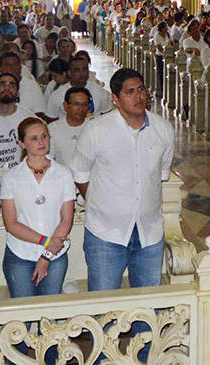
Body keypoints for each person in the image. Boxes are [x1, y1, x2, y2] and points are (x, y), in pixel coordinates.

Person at [71, 68, 174, 292]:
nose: (139, 97)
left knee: (147, 309)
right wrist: (103, 203)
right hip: (105, 233)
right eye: (130, 92)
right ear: (115, 99)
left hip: (149, 232)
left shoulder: (163, 130)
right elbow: (80, 173)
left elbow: (160, 175)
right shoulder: (96, 130)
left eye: (141, 90)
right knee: (104, 307)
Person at [1, 117, 75, 298]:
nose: (41, 142)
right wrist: (45, 242)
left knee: (49, 315)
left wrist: (47, 255)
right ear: (21, 143)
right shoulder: (11, 177)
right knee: (22, 316)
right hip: (20, 254)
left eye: (44, 136)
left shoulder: (63, 174)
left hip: (55, 257)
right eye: (34, 138)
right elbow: (11, 224)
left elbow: (66, 219)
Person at [45, 57, 110, 120]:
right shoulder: (57, 95)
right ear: (69, 73)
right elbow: (50, 120)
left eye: (84, 69)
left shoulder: (99, 91)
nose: (82, 74)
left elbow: (107, 115)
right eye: (77, 70)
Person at [0, 52, 45, 117]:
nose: (13, 68)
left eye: (16, 64)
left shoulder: (32, 86)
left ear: (20, 67)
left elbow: (39, 114)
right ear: (0, 69)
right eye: (8, 65)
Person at [49, 87, 93, 171]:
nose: (81, 109)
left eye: (84, 104)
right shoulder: (52, 129)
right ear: (65, 106)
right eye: (76, 104)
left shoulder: (94, 127)